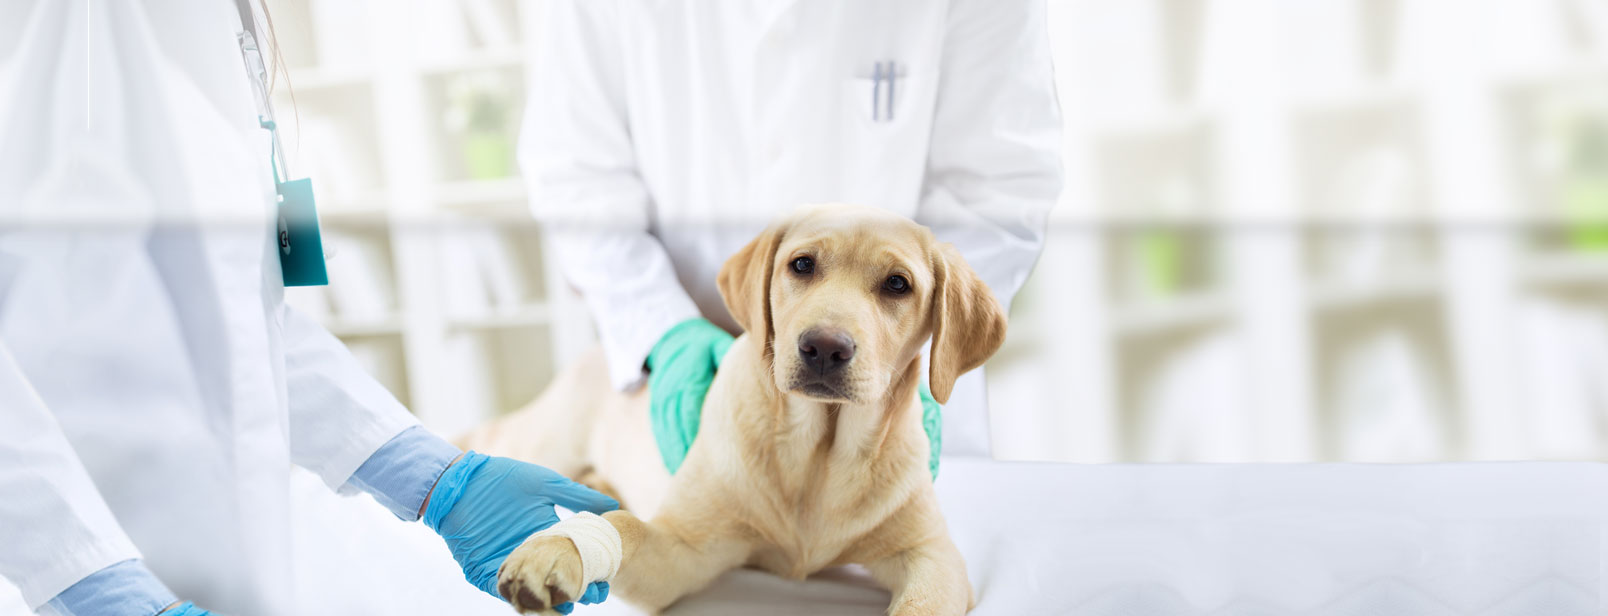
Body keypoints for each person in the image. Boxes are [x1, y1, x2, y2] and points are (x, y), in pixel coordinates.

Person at [0, 1, 615, 614]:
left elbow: (243, 322)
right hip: (73, 569)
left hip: (228, 550)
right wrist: (94, 587)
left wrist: (438, 480)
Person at [521, 0, 1063, 471]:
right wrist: (663, 331)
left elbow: (998, 186)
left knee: (908, 577)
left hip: (894, 403)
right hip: (694, 392)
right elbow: (576, 173)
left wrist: (910, 366)